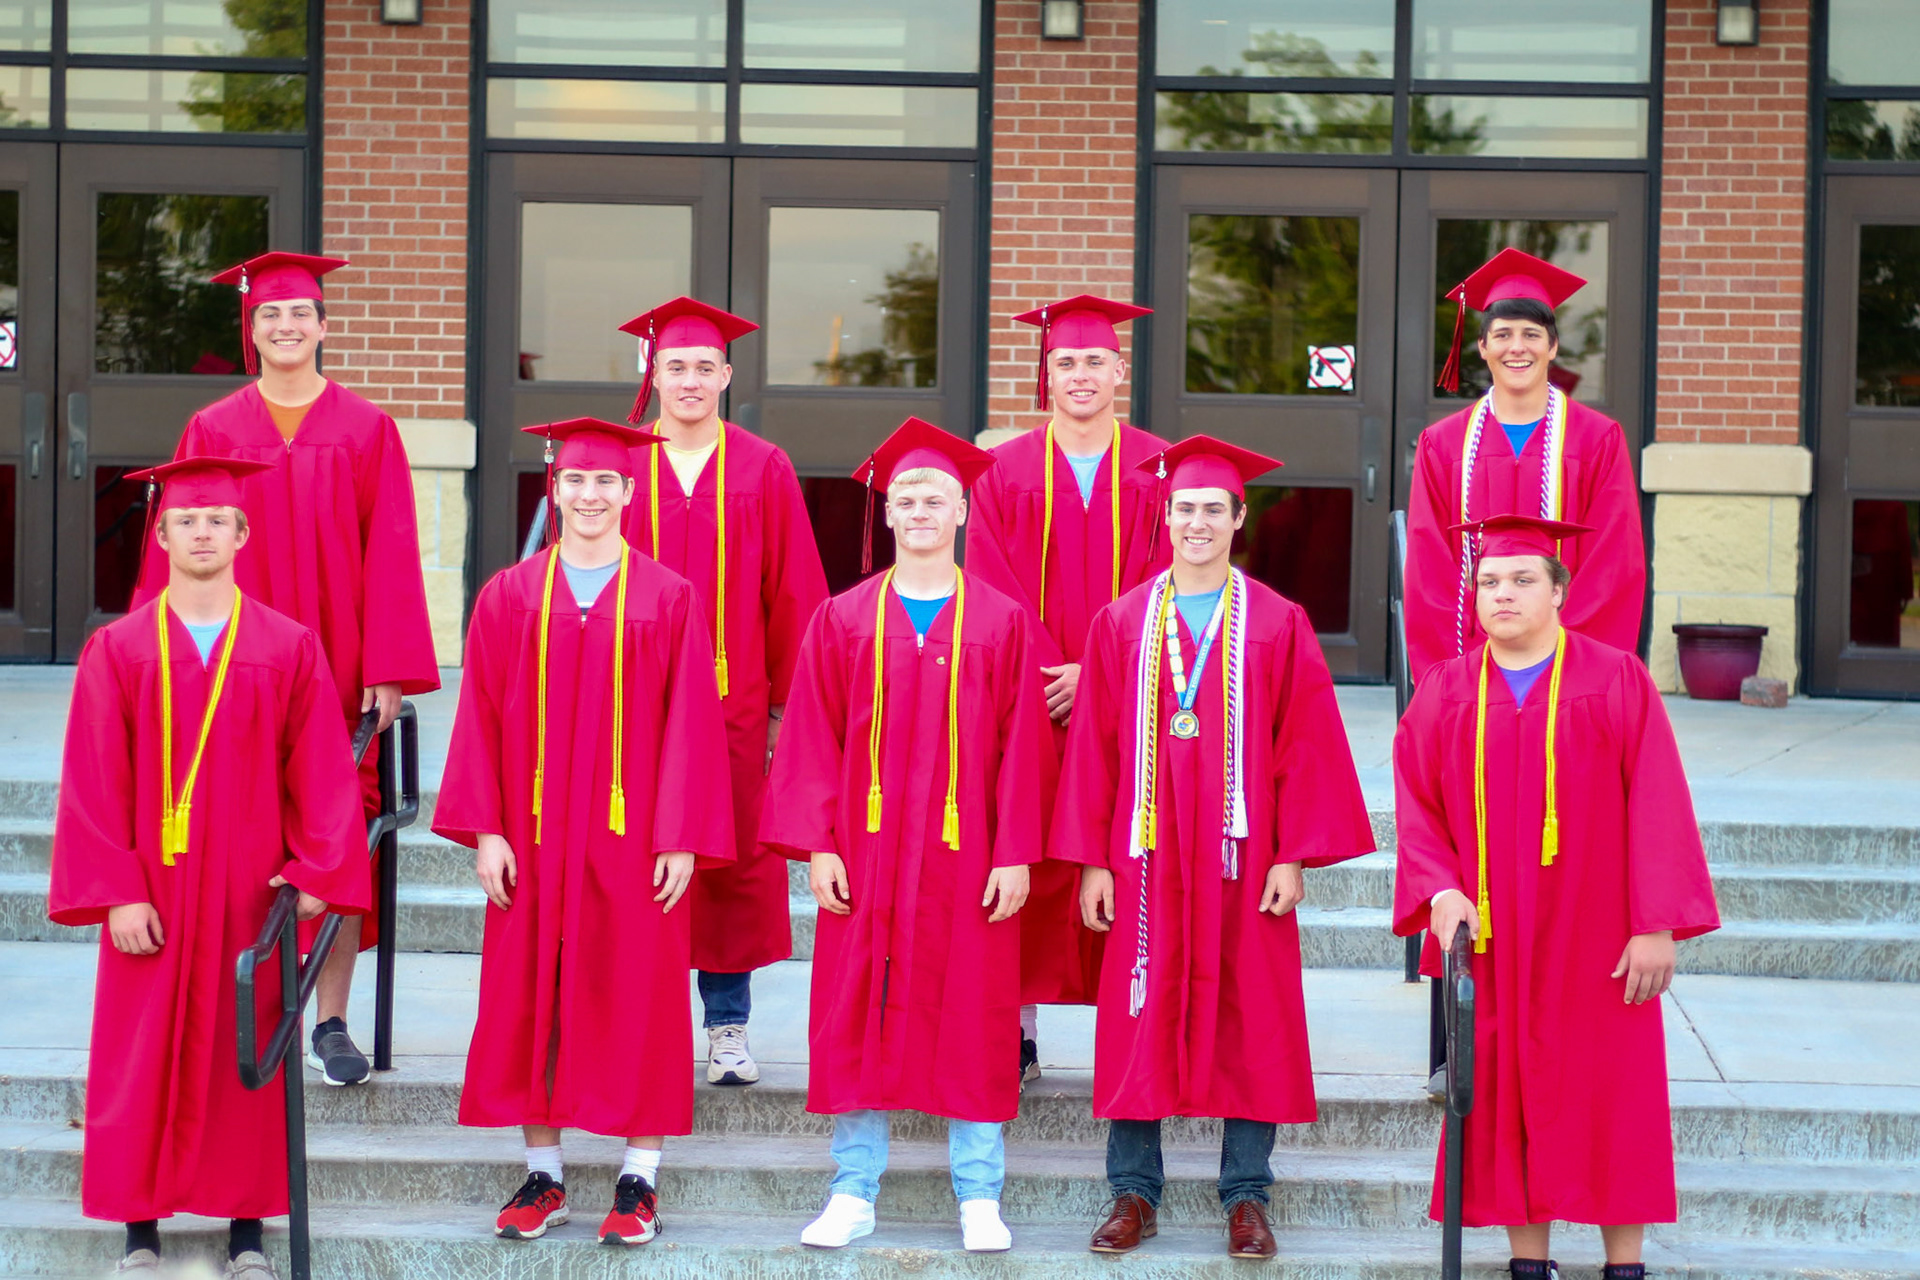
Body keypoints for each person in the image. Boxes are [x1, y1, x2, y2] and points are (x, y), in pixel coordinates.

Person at [1051, 436, 1374, 1260]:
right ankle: (1133, 1192)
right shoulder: (1120, 621)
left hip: (1241, 856)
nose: (1197, 522)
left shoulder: (1277, 620)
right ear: (1165, 519)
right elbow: (1094, 746)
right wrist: (1091, 859)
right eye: (1183, 509)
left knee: (1253, 1013)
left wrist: (1292, 854)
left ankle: (1247, 1197)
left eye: (1212, 511)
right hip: (1145, 857)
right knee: (1136, 1007)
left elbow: (1305, 743)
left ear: (1238, 519)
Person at [52, 456, 370, 1280]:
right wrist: (116, 889)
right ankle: (139, 1227)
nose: (202, 532)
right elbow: (93, 779)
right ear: (159, 538)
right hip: (149, 888)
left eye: (216, 521)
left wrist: (313, 871)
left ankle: (247, 1229)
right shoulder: (116, 650)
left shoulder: (287, 647)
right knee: (140, 1052)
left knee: (247, 1047)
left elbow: (323, 775)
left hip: (246, 883)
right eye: (186, 522)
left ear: (241, 534)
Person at [131, 251, 440, 1090]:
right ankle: (244, 1009)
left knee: (340, 832)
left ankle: (329, 1020)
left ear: (323, 327)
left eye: (300, 313)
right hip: (231, 671)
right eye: (270, 315)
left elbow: (392, 554)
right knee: (235, 828)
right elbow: (180, 544)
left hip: (339, 672)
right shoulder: (214, 428)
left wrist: (390, 668)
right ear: (251, 328)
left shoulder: (367, 428)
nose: (286, 327)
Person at [1392, 513, 1720, 1280]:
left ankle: (1624, 1266)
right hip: (1496, 932)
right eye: (1489, 582)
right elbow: (1416, 804)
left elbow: (1659, 801)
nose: (1502, 595)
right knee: (1508, 1093)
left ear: (1559, 593)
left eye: (1522, 581)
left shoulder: (1614, 678)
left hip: (1599, 930)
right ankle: (1528, 1265)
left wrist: (1657, 924)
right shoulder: (1446, 690)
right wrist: (1439, 891)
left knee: (1614, 1093)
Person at [434, 419, 734, 1247]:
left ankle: (640, 1177)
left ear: (629, 495)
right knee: (532, 990)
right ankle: (546, 1174)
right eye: (576, 482)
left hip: (632, 837)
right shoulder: (510, 595)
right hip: (531, 840)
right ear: (554, 492)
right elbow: (481, 719)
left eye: (606, 483)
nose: (591, 495)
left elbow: (691, 726)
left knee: (639, 992)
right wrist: (486, 830)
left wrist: (681, 834)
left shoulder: (669, 598)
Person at [763, 417, 1056, 1254]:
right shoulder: (843, 618)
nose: (921, 510)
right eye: (906, 500)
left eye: (937, 498)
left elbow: (1024, 752)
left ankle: (979, 1195)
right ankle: (853, 1190)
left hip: (969, 861)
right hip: (866, 853)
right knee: (857, 1012)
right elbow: (813, 740)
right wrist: (817, 845)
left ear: (963, 511)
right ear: (888, 514)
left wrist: (1015, 855)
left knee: (976, 1012)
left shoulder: (1001, 622)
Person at [616, 296, 829, 1086]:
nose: (691, 380)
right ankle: (645, 1024)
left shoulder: (761, 465)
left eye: (706, 368)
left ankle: (728, 1029)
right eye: (677, 367)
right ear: (654, 372)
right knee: (641, 857)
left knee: (732, 863)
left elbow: (792, 593)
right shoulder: (622, 463)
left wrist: (783, 708)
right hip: (632, 708)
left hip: (735, 702)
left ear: (727, 376)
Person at [965, 293, 1171, 1081]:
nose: (1080, 375)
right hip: (1026, 701)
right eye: (1065, 363)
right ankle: (1015, 1034)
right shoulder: (1003, 472)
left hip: (1137, 698)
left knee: (1124, 853)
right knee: (1022, 852)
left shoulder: (1160, 468)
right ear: (1043, 376)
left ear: (1120, 370)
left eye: (1094, 362)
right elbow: (989, 579)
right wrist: (1053, 671)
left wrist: (1099, 672)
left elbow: (1171, 576)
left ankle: (1132, 1029)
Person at [1406, 247, 1646, 685]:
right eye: (1502, 335)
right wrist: (1451, 672)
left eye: (1532, 335)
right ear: (1482, 346)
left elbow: (1614, 561)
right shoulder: (1442, 445)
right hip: (1472, 661)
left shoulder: (1596, 439)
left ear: (1553, 346)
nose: (1517, 347)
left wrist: (1571, 661)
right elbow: (1428, 565)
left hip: (1568, 662)